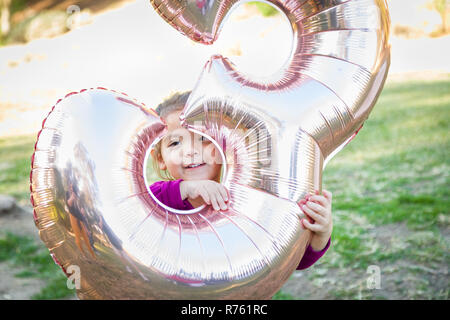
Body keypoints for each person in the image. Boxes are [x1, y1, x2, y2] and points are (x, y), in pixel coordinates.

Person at [149, 91, 332, 270]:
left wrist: (319, 237)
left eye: (204, 139)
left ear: (225, 145)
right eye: (175, 143)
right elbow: (147, 199)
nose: (190, 150)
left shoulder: (243, 199)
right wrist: (185, 189)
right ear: (160, 159)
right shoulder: (159, 197)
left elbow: (284, 262)